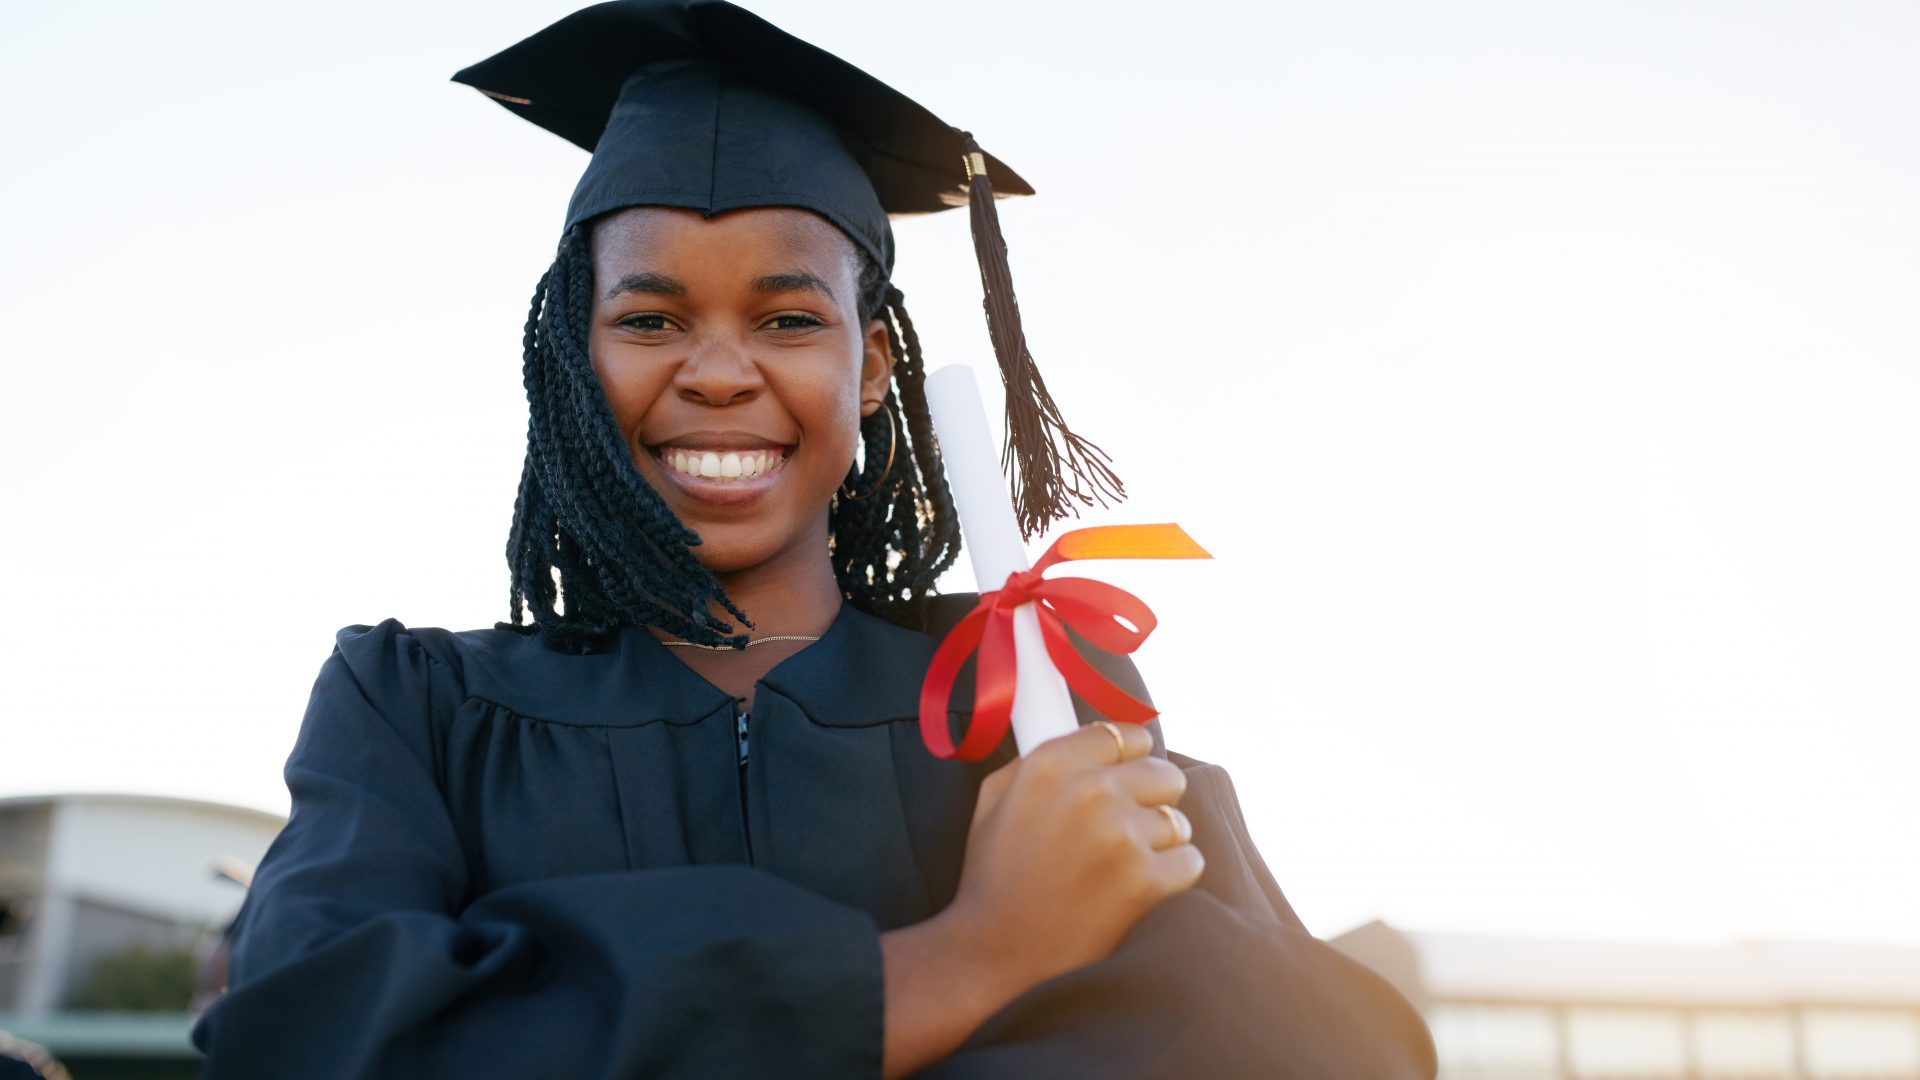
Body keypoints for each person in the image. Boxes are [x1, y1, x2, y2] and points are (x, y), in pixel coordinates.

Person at [188, 2, 1436, 1076]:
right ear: (576, 355)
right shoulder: (421, 712)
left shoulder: (1032, 694)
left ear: (875, 365)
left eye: (790, 319)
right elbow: (314, 1031)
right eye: (649, 318)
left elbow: (1271, 1036)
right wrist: (972, 959)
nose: (719, 372)